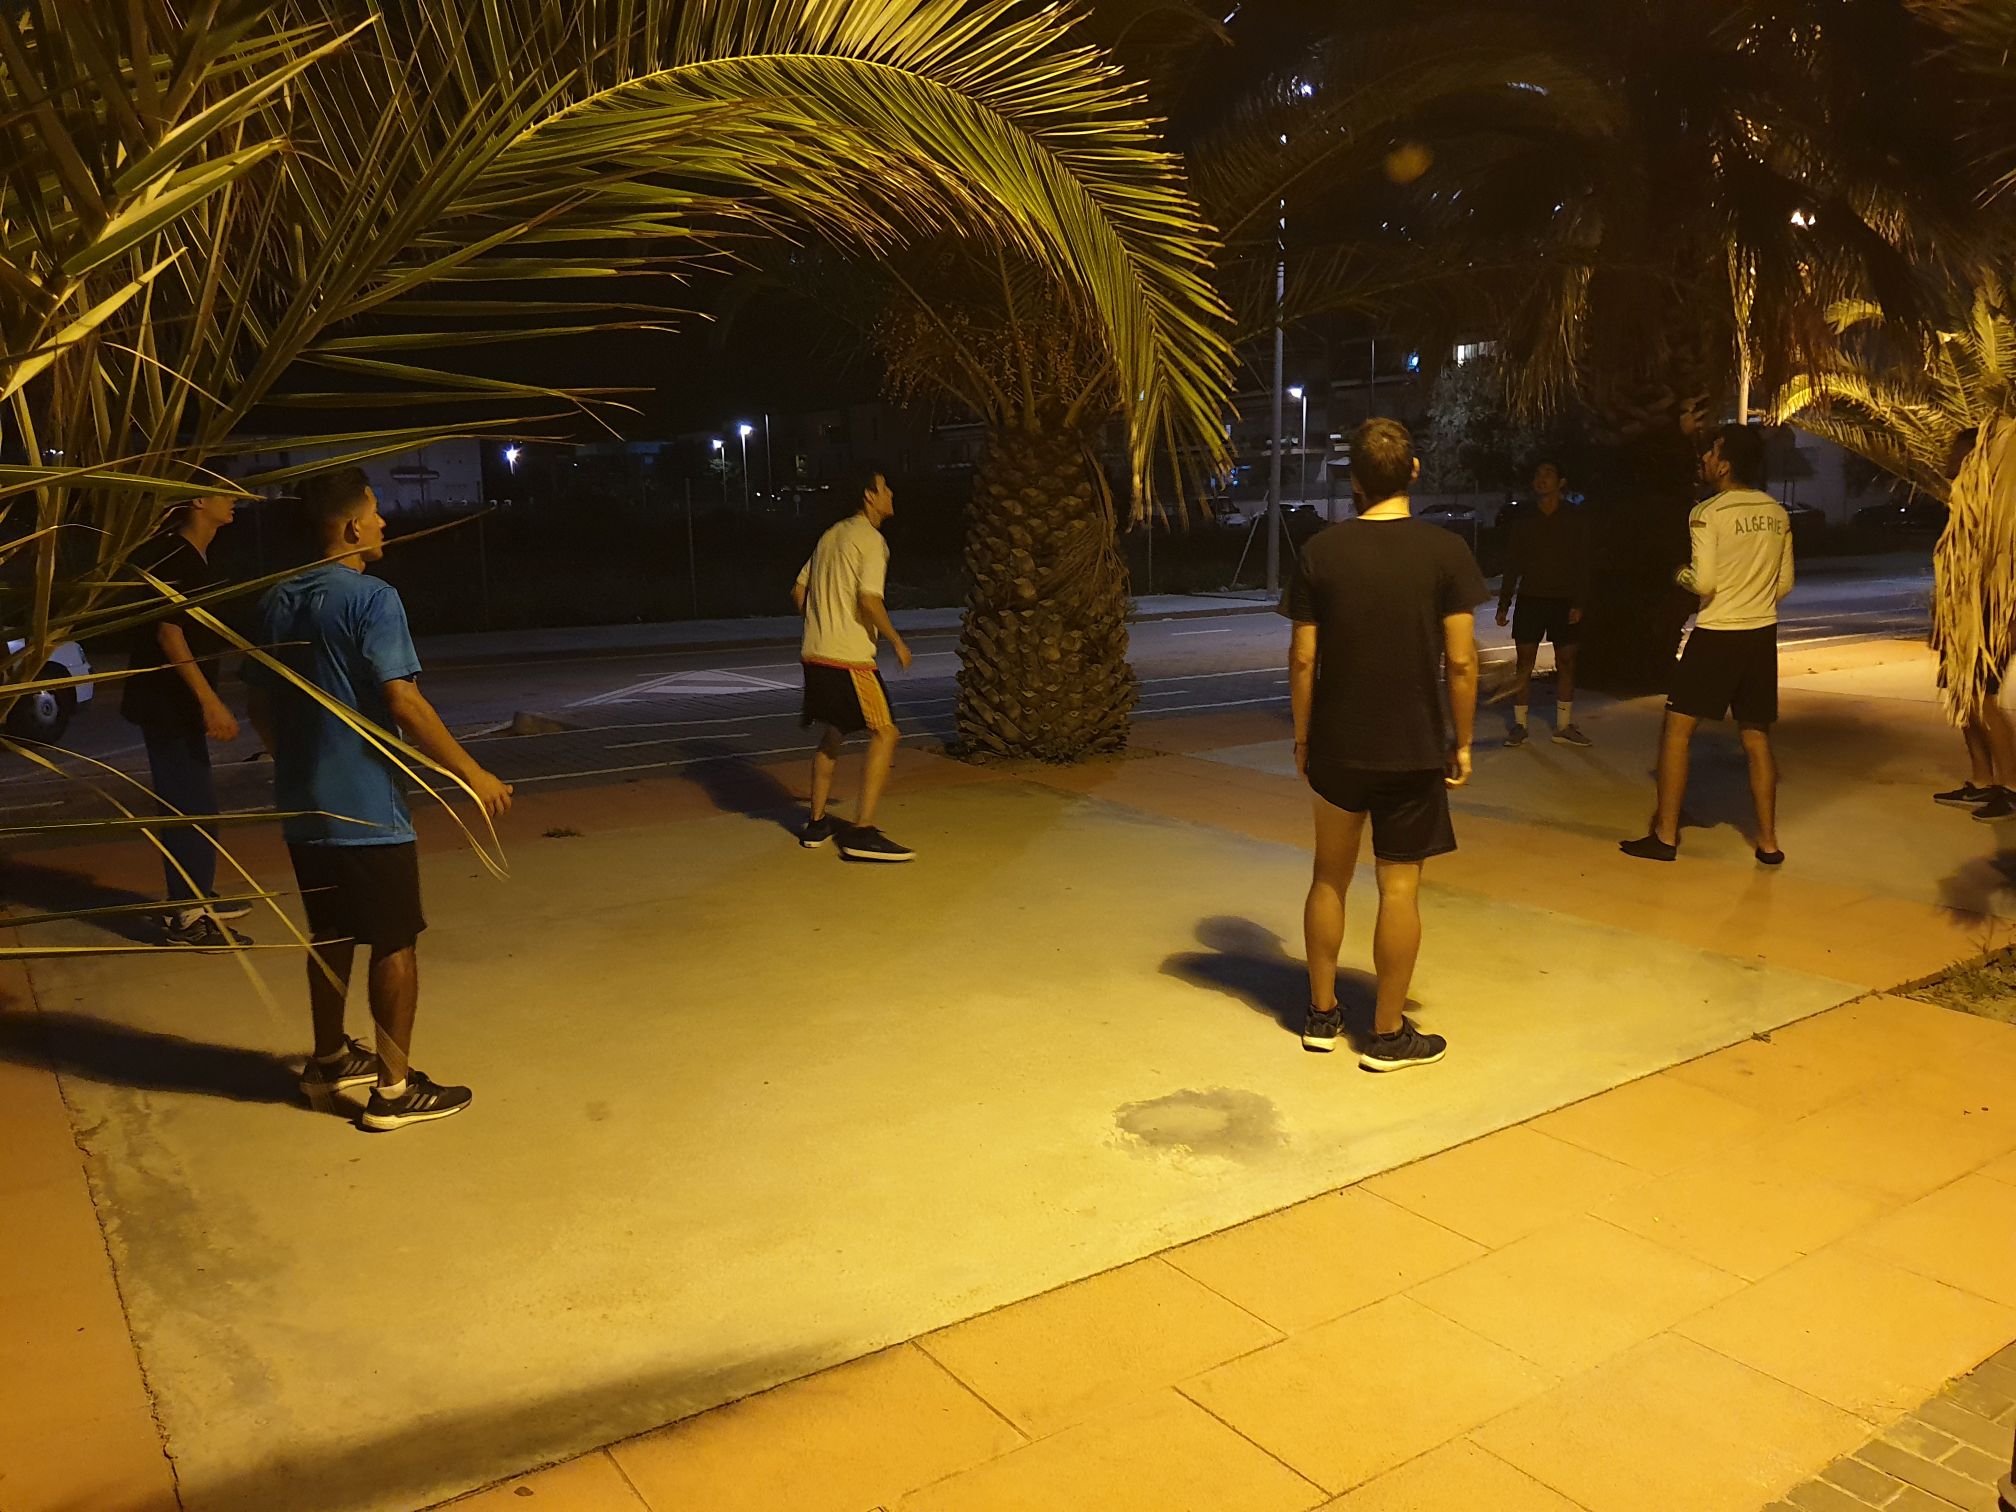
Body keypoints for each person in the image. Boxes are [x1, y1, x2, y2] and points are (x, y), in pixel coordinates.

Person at [245, 468, 512, 1131]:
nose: (385, 522)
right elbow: (403, 700)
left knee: (331, 933)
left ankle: (329, 1060)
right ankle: (393, 1091)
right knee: (393, 941)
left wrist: (300, 761)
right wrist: (472, 773)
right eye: (376, 512)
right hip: (366, 805)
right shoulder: (373, 599)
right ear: (351, 528)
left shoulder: (275, 599)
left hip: (304, 804)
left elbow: (259, 706)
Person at [1285, 418, 1485, 1071]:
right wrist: (1462, 741)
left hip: (1338, 745)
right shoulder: (1446, 552)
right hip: (1413, 746)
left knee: (1328, 876)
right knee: (1399, 889)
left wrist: (1304, 737)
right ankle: (1388, 1034)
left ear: (1355, 480)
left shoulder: (1321, 551)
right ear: (1414, 472)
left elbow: (1303, 659)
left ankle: (1321, 1014)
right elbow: (1462, 662)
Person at [1621, 423, 1792, 864]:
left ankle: (1665, 835)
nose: (1705, 459)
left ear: (1726, 464)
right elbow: (1785, 583)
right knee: (1756, 736)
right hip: (1761, 633)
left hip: (1718, 633)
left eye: (1712, 452)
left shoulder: (1707, 512)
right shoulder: (1777, 513)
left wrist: (1678, 573)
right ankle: (1768, 842)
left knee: (1677, 730)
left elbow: (1704, 582)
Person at [123, 492, 254, 949]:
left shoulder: (192, 556)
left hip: (174, 706)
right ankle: (188, 915)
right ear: (198, 500)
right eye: (224, 491)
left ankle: (195, 896)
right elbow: (169, 634)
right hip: (167, 705)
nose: (234, 499)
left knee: (194, 804)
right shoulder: (175, 556)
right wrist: (209, 702)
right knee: (189, 806)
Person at [792, 463, 914, 862]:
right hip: (849, 659)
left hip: (815, 654)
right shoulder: (871, 540)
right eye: (885, 487)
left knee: (834, 732)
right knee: (886, 732)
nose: (891, 493)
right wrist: (896, 641)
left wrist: (822, 622)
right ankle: (862, 831)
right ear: (869, 496)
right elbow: (869, 599)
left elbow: (798, 591)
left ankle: (816, 823)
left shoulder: (830, 536)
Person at [1493, 460, 1592, 747]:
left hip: (1565, 600)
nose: (1541, 479)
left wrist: (1579, 602)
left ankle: (1564, 725)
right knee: (1525, 663)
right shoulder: (1524, 517)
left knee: (1567, 662)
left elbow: (1583, 562)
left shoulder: (1575, 517)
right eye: (1537, 474)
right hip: (1531, 598)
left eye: (1548, 473)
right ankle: (1520, 726)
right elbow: (1513, 563)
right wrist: (1503, 604)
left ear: (1561, 482)